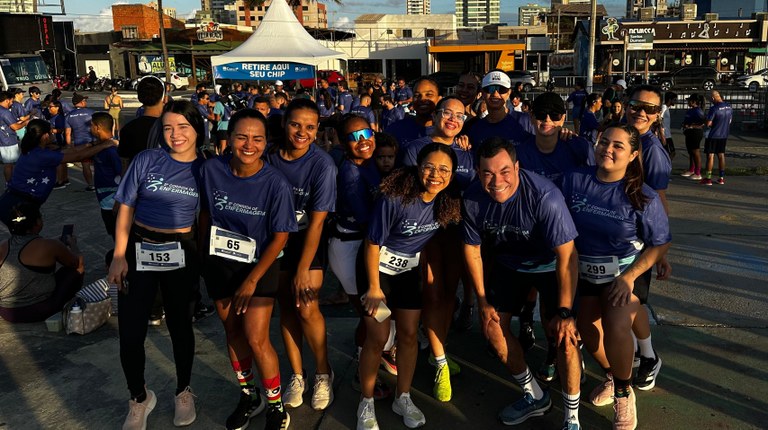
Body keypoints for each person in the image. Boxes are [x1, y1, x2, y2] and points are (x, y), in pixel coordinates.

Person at [462, 137, 582, 429]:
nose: (496, 181)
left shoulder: (545, 196)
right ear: (478, 173)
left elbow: (567, 257)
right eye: (488, 173)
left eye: (504, 171)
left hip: (551, 264)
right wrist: (481, 299)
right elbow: (472, 249)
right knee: (491, 327)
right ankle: (535, 395)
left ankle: (572, 417)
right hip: (509, 263)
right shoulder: (472, 197)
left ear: (517, 167)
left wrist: (566, 312)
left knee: (565, 339)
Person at [561, 124, 671, 430]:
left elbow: (661, 242)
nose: (607, 149)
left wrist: (630, 277)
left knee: (616, 326)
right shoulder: (574, 180)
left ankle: (624, 393)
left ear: (634, 154)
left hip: (624, 272)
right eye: (603, 142)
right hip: (583, 269)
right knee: (585, 328)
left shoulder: (643, 196)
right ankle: (614, 375)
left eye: (618, 146)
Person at [108, 100, 204, 430]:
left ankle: (183, 390)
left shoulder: (204, 167)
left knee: (180, 327)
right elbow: (125, 207)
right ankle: (139, 397)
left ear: (197, 129)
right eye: (167, 127)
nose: (175, 134)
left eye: (183, 127)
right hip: (139, 247)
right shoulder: (147, 159)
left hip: (183, 250)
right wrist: (119, 255)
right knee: (131, 332)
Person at [199, 109, 296, 430]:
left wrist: (252, 280)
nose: (248, 144)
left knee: (256, 338)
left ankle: (275, 405)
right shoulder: (212, 169)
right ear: (229, 139)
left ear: (266, 143)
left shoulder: (275, 183)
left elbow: (281, 235)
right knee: (232, 332)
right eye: (241, 136)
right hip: (220, 263)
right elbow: (201, 212)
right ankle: (248, 394)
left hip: (260, 265)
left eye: (257, 138)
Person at [356, 143, 461, 430]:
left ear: (452, 174)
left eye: (444, 169)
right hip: (376, 271)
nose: (435, 174)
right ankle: (365, 403)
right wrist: (374, 287)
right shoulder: (395, 198)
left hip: (408, 272)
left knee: (409, 335)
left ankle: (403, 397)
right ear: (418, 167)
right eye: (429, 167)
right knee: (377, 338)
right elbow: (373, 242)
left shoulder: (446, 201)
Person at [265, 98, 337, 411]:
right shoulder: (267, 157)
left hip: (307, 239)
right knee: (287, 308)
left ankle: (323, 372)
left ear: (318, 129)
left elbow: (318, 222)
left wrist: (303, 267)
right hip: (274, 241)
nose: (302, 132)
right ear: (284, 123)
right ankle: (297, 374)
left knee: (306, 305)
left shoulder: (323, 165)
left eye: (310, 127)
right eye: (296, 124)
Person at [401, 96, 475, 401]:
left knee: (448, 293)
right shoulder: (416, 148)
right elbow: (405, 193)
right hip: (425, 233)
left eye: (460, 115)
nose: (453, 119)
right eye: (448, 113)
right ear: (436, 114)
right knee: (431, 293)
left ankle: (437, 352)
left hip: (456, 231)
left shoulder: (466, 152)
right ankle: (440, 364)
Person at [326, 114, 395, 399]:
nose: (362, 141)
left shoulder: (372, 162)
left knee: (377, 319)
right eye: (353, 138)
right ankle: (362, 371)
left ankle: (378, 356)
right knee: (374, 318)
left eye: (366, 133)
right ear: (343, 144)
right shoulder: (351, 173)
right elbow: (369, 219)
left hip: (367, 246)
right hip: (352, 247)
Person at [623, 85, 671, 393]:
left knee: (632, 302)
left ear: (657, 116)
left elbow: (661, 200)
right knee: (625, 303)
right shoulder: (621, 135)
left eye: (650, 109)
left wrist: (662, 250)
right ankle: (641, 356)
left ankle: (648, 357)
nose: (642, 111)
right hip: (615, 233)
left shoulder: (652, 151)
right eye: (637, 104)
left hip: (639, 240)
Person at [0, 119, 116, 227]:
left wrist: (92, 144)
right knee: (27, 237)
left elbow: (71, 150)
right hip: (19, 205)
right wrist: (105, 144)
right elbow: (78, 156)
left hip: (16, 201)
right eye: (51, 133)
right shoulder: (42, 155)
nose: (52, 135)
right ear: (45, 136)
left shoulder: (36, 149)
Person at [0, 202, 84, 323]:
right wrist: (73, 244)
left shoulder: (4, 245)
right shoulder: (50, 245)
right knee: (76, 268)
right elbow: (76, 262)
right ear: (37, 222)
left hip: (6, 311)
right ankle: (69, 305)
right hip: (36, 310)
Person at [466, 70, 535, 153]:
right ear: (483, 93)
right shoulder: (475, 128)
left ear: (509, 93)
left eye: (501, 89)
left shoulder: (526, 121)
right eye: (490, 89)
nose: (495, 94)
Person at [384, 77, 442, 164]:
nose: (422, 99)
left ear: (439, 99)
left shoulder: (448, 132)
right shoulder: (395, 129)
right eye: (417, 95)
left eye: (429, 95)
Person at [89, 112, 122, 238]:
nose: (90, 129)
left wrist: (118, 202)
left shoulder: (112, 151)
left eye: (91, 126)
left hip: (112, 202)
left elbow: (124, 176)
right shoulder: (100, 147)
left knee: (118, 235)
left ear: (98, 127)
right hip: (104, 200)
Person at [65, 92, 96, 190]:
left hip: (80, 144)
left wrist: (70, 147)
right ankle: (101, 182)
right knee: (99, 164)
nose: (86, 102)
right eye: (85, 100)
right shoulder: (91, 112)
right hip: (94, 142)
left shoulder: (69, 116)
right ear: (81, 102)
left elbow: (67, 134)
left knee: (85, 165)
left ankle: (91, 185)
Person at [702, 90, 732, 186]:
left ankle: (708, 178)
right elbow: (730, 121)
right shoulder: (729, 107)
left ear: (713, 98)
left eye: (710, 99)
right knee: (721, 155)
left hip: (714, 134)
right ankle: (721, 178)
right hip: (724, 134)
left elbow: (708, 123)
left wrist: (705, 119)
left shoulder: (714, 108)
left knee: (710, 156)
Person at [681, 94, 706, 181]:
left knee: (695, 152)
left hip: (696, 133)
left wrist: (692, 126)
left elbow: (703, 122)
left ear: (694, 102)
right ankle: (691, 169)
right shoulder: (691, 110)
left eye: (689, 100)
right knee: (690, 152)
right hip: (689, 133)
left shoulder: (698, 111)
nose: (687, 102)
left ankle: (698, 173)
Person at [0, 91, 24, 181]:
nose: (12, 103)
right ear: (7, 100)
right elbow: (15, 127)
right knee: (9, 165)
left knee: (8, 164)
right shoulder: (5, 112)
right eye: (11, 101)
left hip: (2, 140)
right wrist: (26, 122)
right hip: (8, 141)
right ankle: (10, 183)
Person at [659, 92, 677, 160]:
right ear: (670, 99)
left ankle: (666, 166)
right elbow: (659, 119)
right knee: (669, 153)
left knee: (671, 153)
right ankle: (666, 166)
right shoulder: (664, 107)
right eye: (674, 100)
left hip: (668, 135)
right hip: (665, 135)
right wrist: (662, 133)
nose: (676, 101)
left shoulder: (667, 108)